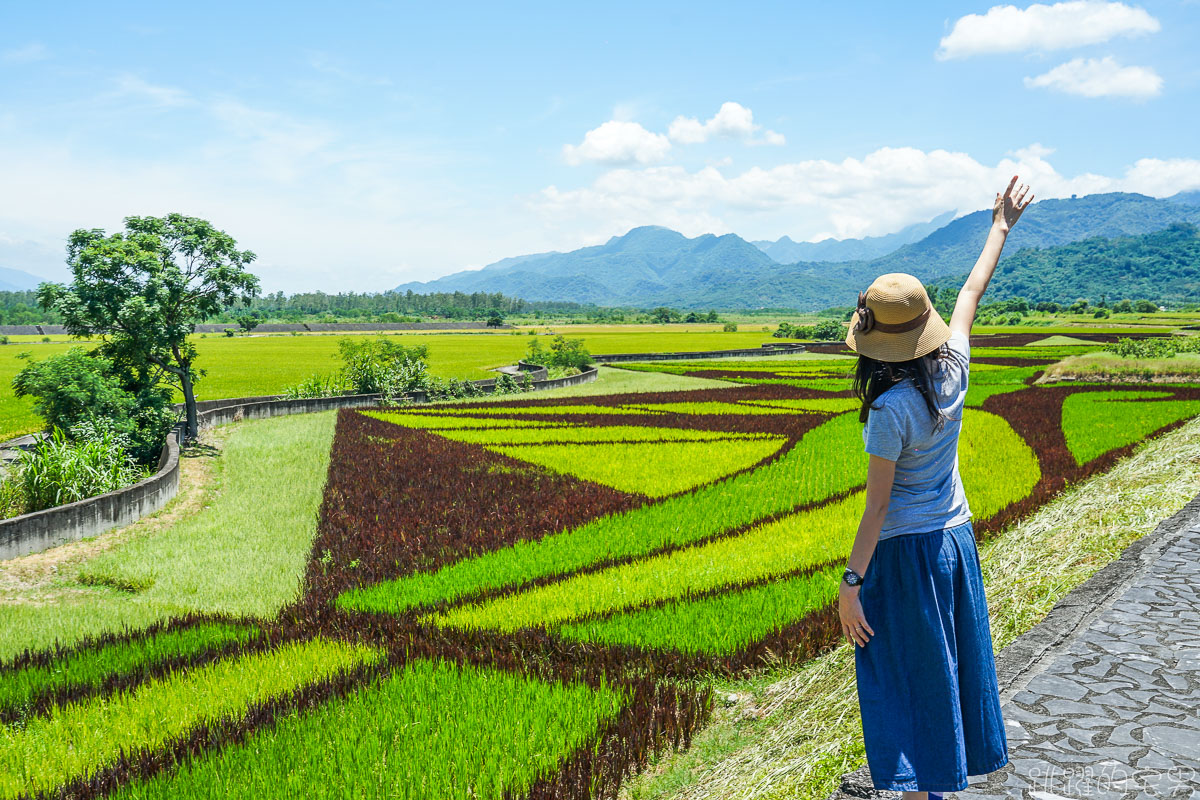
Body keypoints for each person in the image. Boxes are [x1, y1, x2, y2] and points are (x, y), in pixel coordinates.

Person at [838, 175, 1034, 798]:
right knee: (946, 665)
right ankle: (942, 786)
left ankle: (924, 788)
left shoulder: (889, 412)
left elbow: (877, 509)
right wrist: (1000, 225)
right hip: (954, 542)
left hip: (905, 554)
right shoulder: (955, 365)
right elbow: (974, 289)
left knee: (902, 674)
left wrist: (849, 586)